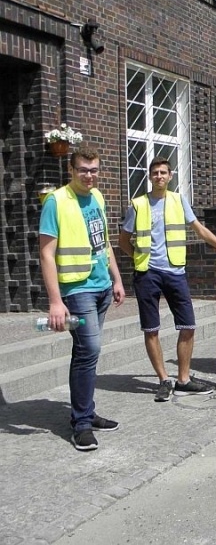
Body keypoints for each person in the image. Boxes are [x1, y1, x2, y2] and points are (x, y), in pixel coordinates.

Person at [119, 158, 216, 402]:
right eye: (155, 173)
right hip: (147, 274)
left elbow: (200, 230)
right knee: (151, 329)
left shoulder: (178, 200)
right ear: (150, 176)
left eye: (163, 172)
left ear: (170, 176)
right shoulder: (138, 205)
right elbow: (123, 240)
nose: (159, 176)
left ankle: (183, 379)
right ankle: (164, 379)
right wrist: (140, 259)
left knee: (188, 325)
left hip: (175, 271)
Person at [39, 146, 126, 451]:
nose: (89, 176)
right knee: (89, 348)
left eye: (94, 170)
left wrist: (116, 278)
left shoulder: (98, 197)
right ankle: (82, 424)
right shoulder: (56, 201)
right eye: (83, 170)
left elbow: (103, 244)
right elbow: (46, 254)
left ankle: (85, 413)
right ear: (71, 171)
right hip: (77, 290)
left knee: (86, 352)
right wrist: (55, 301)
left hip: (101, 287)